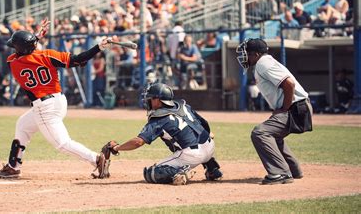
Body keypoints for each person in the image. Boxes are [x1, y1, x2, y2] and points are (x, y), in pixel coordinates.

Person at [0, 18, 116, 179]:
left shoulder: (13, 62)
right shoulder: (48, 55)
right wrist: (98, 47)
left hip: (44, 107)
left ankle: (97, 159)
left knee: (62, 143)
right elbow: (78, 59)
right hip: (58, 101)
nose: (13, 49)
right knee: (23, 125)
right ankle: (13, 167)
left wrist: (36, 37)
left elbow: (23, 51)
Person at [105, 82, 223, 185]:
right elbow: (204, 123)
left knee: (151, 173)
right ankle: (212, 168)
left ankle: (180, 172)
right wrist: (207, 135)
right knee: (196, 143)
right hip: (210, 146)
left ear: (158, 100)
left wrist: (117, 147)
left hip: (192, 155)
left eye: (150, 98)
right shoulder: (183, 105)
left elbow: (138, 142)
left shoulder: (159, 117)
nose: (148, 101)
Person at [236, 38, 313, 185]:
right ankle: (293, 169)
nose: (245, 57)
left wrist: (284, 109)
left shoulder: (263, 63)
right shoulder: (263, 62)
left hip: (297, 108)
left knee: (260, 133)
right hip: (298, 106)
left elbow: (288, 84)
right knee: (273, 135)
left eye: (248, 53)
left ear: (257, 54)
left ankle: (280, 173)